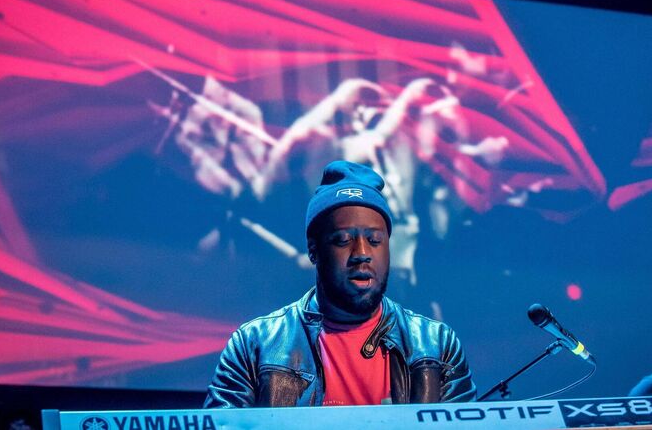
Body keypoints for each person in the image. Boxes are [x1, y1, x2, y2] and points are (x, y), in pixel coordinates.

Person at [204, 160, 477, 407]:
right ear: (314, 250)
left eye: (375, 240)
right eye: (343, 240)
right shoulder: (254, 346)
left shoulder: (436, 345)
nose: (362, 253)